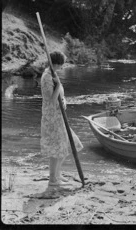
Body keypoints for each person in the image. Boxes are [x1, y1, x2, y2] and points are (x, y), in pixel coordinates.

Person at [40, 51, 83, 187]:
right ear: (56, 63)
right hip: (52, 119)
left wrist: (64, 101)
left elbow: (60, 96)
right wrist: (58, 85)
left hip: (59, 117)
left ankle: (57, 175)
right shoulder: (47, 77)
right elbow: (52, 100)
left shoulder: (53, 74)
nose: (62, 66)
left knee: (67, 145)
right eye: (61, 64)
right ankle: (53, 179)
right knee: (56, 148)